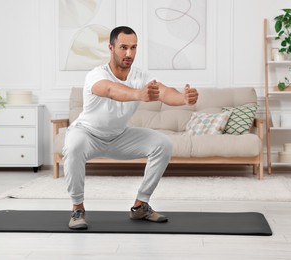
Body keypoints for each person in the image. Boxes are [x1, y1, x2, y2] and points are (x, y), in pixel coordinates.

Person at [63, 26, 199, 230]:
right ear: (111, 47)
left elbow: (164, 92)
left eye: (133, 48)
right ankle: (77, 208)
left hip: (118, 137)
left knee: (163, 144)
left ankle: (140, 206)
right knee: (73, 146)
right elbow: (109, 90)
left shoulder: (140, 76)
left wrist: (183, 98)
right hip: (87, 134)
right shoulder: (96, 74)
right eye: (123, 47)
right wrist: (138, 94)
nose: (129, 53)